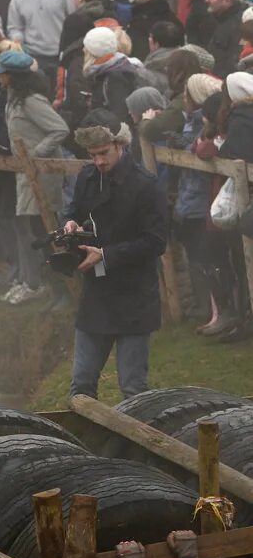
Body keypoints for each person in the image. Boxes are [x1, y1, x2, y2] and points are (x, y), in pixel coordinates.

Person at [62, 111, 169, 400]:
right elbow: (74, 211)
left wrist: (106, 254)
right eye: (92, 155)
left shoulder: (146, 185)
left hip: (134, 294)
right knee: (81, 385)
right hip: (96, 294)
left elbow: (156, 241)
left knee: (133, 388)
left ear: (120, 144)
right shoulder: (87, 177)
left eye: (103, 153)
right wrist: (71, 224)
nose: (98, 161)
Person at [0, 49, 70, 305]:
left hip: (41, 174)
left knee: (46, 230)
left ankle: (63, 290)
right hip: (26, 173)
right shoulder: (14, 99)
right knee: (37, 229)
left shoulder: (31, 100)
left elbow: (59, 129)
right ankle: (50, 287)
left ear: (12, 76)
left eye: (2, 74)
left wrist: (36, 155)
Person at [7, 0, 74, 77]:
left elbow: (74, 18)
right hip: (33, 56)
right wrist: (17, 39)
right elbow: (14, 27)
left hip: (60, 55)